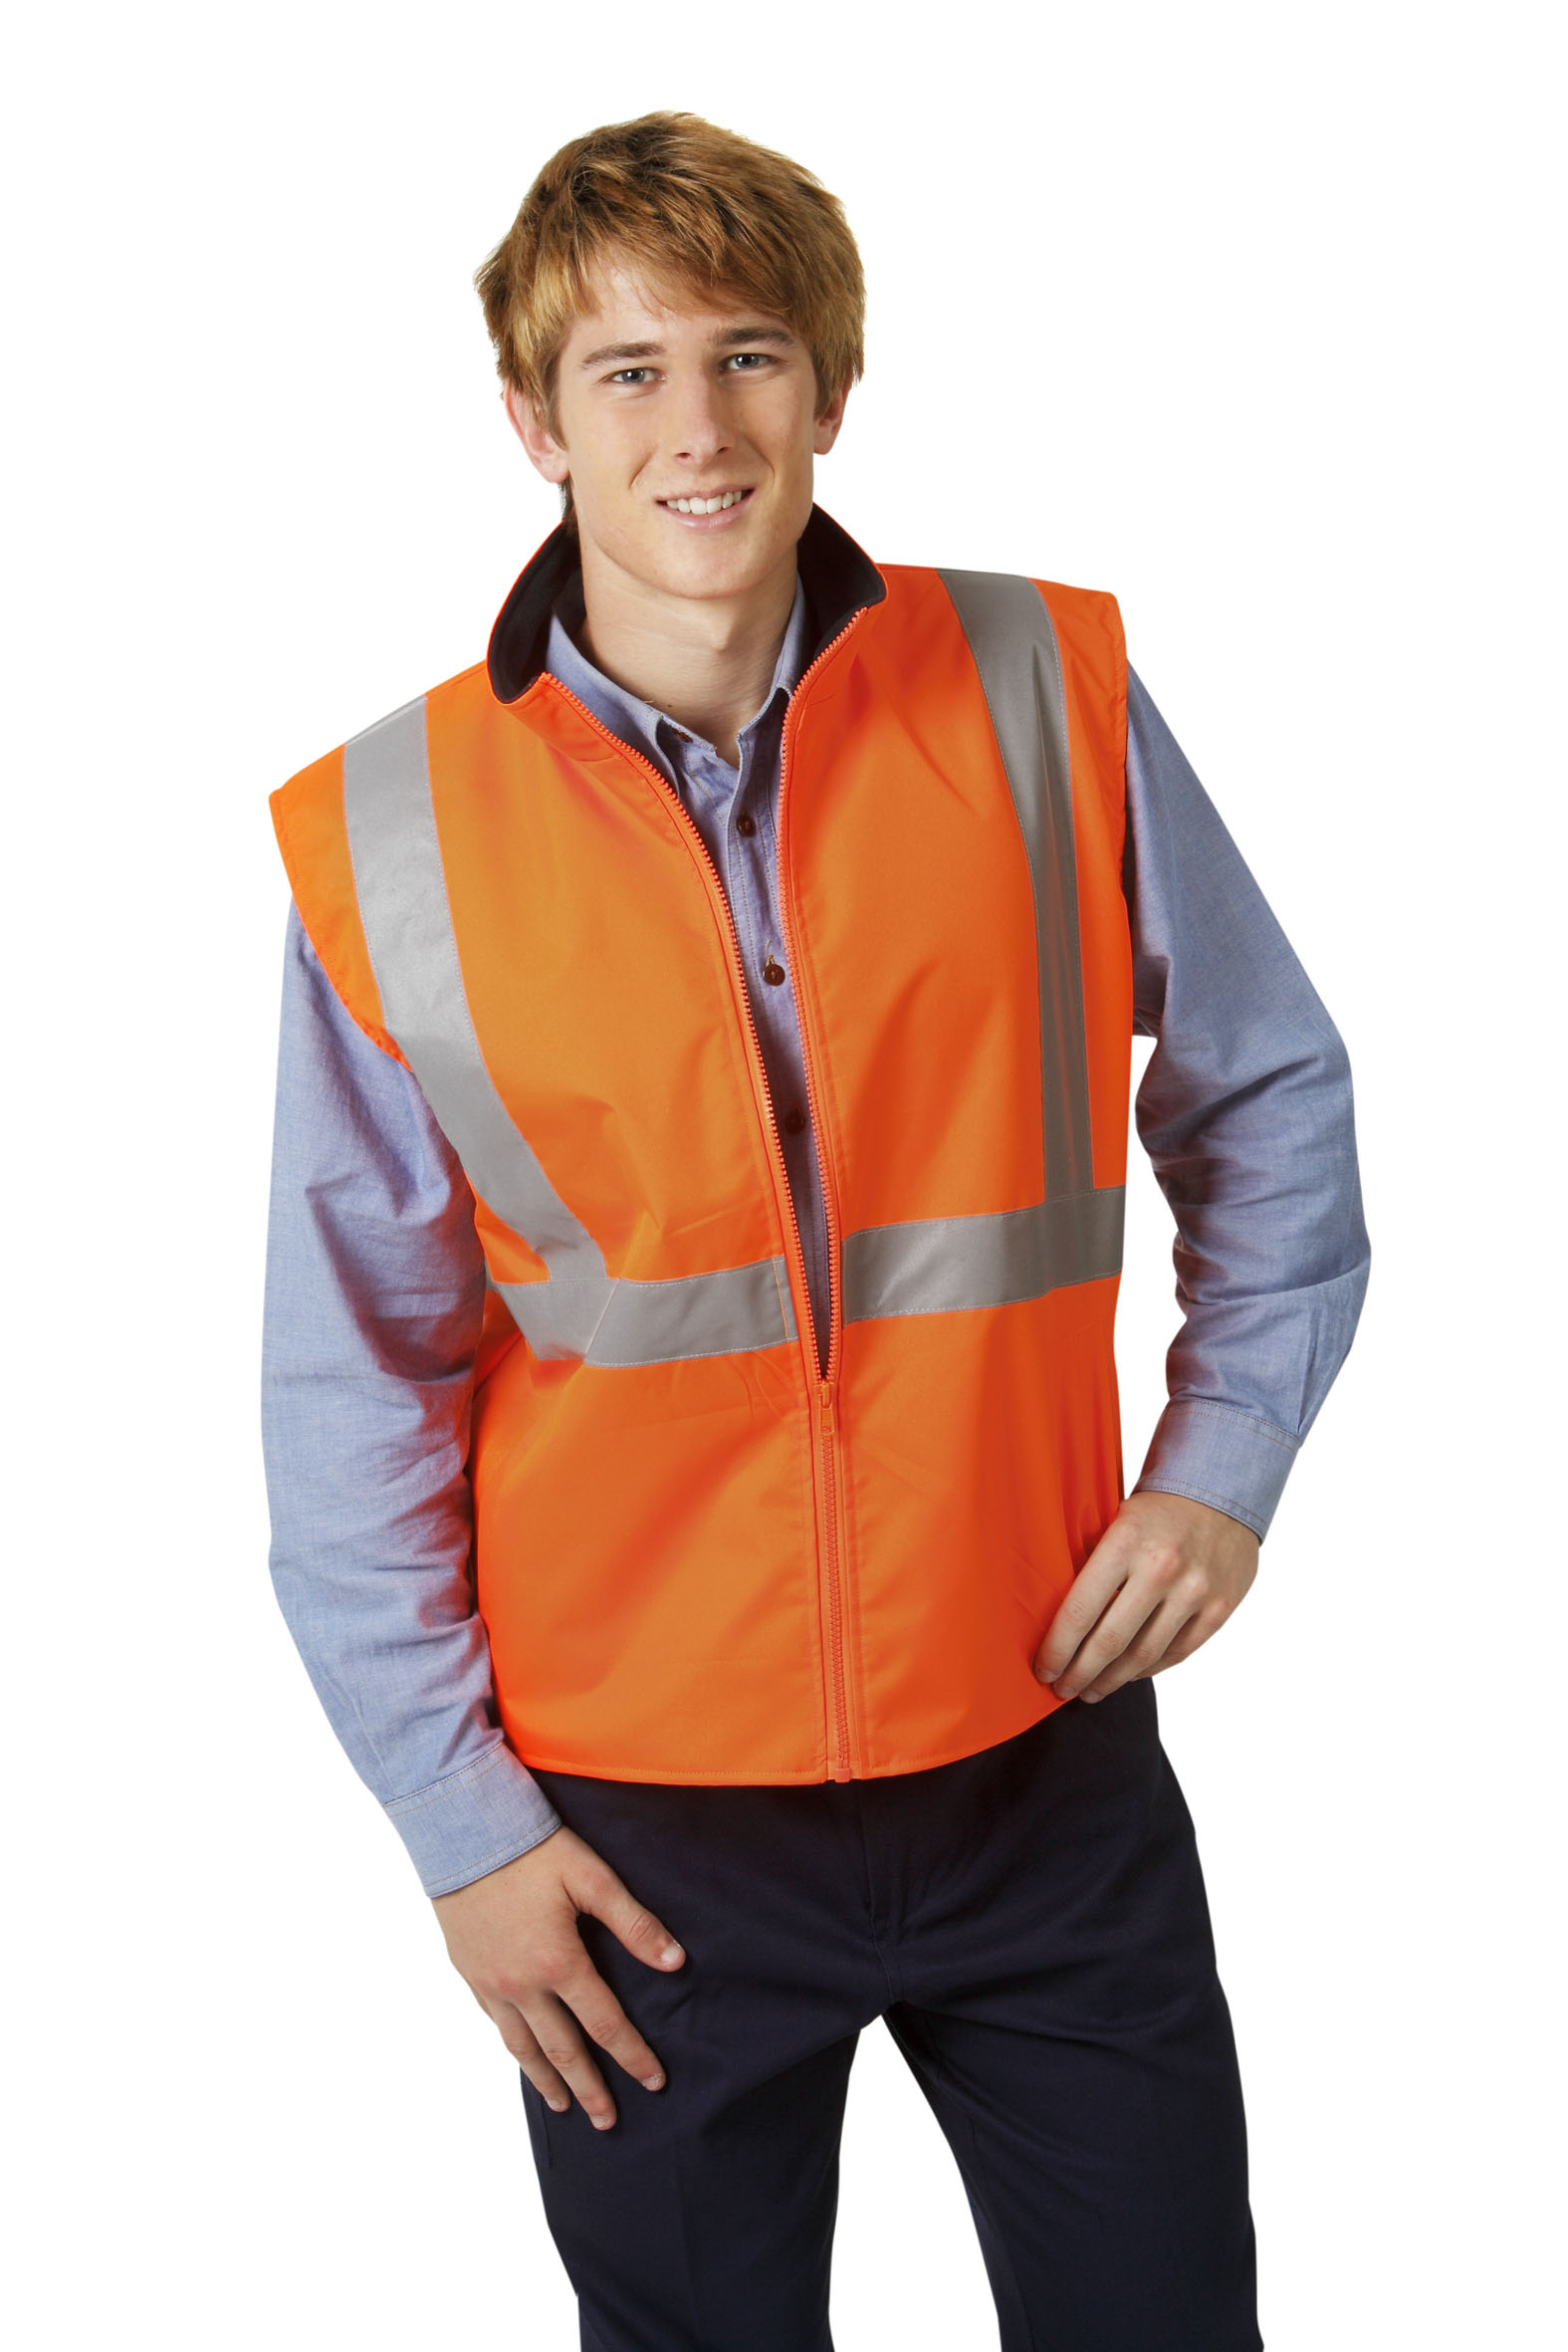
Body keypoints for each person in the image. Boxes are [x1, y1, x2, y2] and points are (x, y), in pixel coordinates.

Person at [262, 110, 1369, 2352]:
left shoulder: (1041, 690)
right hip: (634, 1842)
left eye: (748, 355)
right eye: (627, 369)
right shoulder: (391, 828)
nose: (697, 425)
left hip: (1040, 1741)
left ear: (830, 390)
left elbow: (1268, 1087)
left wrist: (1223, 1461)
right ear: (532, 420)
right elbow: (348, 1368)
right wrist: (463, 1830)